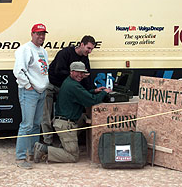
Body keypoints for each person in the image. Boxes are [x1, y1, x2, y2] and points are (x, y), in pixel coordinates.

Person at [34, 61, 111, 163]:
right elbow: (91, 101)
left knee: (84, 118)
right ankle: (44, 149)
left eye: (82, 73)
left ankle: (65, 144)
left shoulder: (70, 82)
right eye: (77, 72)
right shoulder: (73, 86)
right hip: (66, 125)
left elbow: (83, 94)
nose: (80, 75)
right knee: (72, 156)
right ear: (71, 72)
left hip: (64, 122)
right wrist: (104, 93)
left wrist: (95, 91)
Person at [41, 35, 96, 146]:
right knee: (46, 114)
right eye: (88, 48)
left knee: (73, 112)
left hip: (65, 88)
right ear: (81, 45)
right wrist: (75, 75)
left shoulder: (85, 58)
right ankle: (47, 142)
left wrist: (92, 91)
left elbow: (87, 77)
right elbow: (58, 71)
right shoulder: (65, 53)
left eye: (91, 49)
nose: (89, 51)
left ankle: (66, 139)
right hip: (52, 85)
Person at [13, 23, 49, 169]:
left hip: (41, 91)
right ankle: (21, 158)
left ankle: (34, 153)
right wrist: (28, 86)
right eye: (38, 33)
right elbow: (18, 71)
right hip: (30, 92)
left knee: (35, 125)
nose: (41, 36)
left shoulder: (43, 51)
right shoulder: (25, 49)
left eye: (43, 34)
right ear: (32, 34)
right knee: (27, 125)